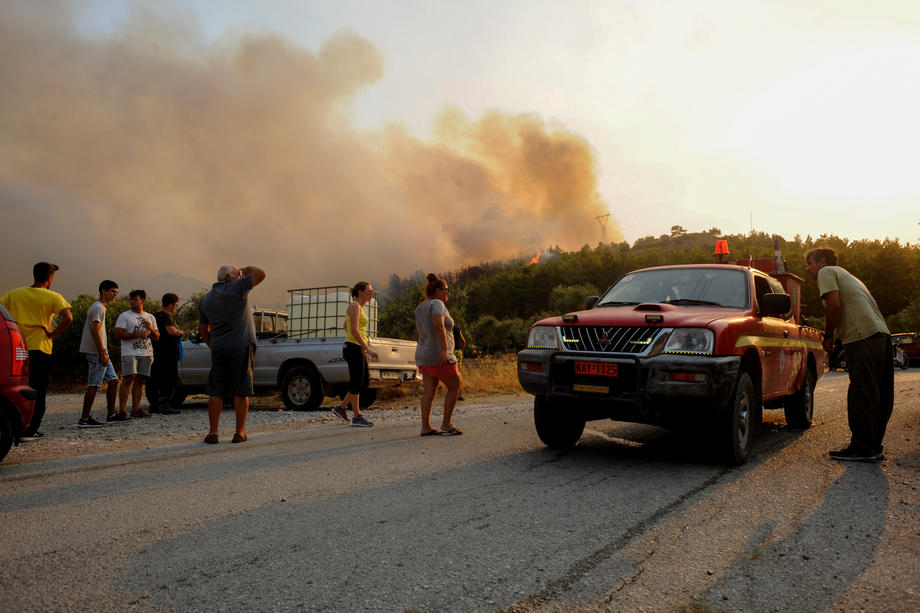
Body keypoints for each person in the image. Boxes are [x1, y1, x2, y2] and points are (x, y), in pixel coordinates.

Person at [805, 247, 893, 462]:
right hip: (881, 336)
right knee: (879, 394)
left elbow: (834, 305)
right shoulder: (849, 276)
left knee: (862, 393)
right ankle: (873, 446)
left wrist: (827, 335)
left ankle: (862, 448)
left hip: (862, 338)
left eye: (810, 263)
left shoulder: (827, 272)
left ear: (822, 261)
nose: (808, 269)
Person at [0, 262, 74, 438]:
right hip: (40, 347)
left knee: (17, 386)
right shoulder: (54, 296)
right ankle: (31, 429)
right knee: (39, 389)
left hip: (17, 348)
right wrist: (52, 334)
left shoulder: (14, 294)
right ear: (50, 278)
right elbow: (68, 318)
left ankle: (12, 424)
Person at [198, 265, 266, 444]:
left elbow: (203, 328)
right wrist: (245, 268)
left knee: (216, 390)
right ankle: (239, 432)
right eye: (238, 274)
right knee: (241, 390)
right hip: (241, 346)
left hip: (219, 348)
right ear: (228, 277)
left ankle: (213, 433)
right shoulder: (236, 288)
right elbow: (261, 273)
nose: (241, 275)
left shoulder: (206, 299)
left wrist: (212, 345)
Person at [415, 273, 463, 436]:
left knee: (429, 391)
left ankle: (425, 427)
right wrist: (444, 349)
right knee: (456, 386)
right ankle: (446, 424)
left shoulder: (420, 307)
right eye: (446, 289)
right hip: (439, 355)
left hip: (424, 354)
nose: (448, 292)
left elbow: (418, 332)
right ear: (437, 290)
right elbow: (438, 326)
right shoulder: (437, 304)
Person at [331, 282, 379, 427]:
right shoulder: (354, 306)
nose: (372, 293)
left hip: (355, 347)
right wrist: (367, 348)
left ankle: (342, 407)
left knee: (362, 382)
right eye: (369, 291)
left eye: (372, 291)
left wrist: (353, 342)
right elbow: (354, 330)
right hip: (354, 348)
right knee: (357, 382)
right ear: (360, 292)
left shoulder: (359, 308)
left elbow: (346, 326)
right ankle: (357, 415)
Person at [78, 280, 120, 427]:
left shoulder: (101, 307)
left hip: (101, 351)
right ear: (103, 291)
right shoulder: (98, 308)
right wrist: (102, 352)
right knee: (94, 384)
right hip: (97, 352)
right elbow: (95, 330)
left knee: (114, 381)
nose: (115, 294)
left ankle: (112, 414)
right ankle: (84, 419)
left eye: (116, 292)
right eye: (112, 291)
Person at [115, 290, 159, 419]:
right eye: (131, 299)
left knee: (140, 380)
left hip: (146, 352)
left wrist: (150, 328)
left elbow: (157, 337)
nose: (132, 301)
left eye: (135, 299)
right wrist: (137, 335)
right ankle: (122, 411)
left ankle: (136, 409)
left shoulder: (150, 317)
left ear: (142, 300)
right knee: (128, 379)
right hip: (129, 352)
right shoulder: (124, 316)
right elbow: (118, 334)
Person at [150, 293, 183, 415]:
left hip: (156, 351)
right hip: (167, 353)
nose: (176, 307)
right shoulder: (167, 316)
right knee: (169, 379)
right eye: (176, 305)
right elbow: (172, 332)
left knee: (156, 379)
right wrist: (180, 332)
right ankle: (165, 405)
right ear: (170, 304)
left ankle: (154, 405)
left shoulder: (155, 315)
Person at [453, 325, 467, 401]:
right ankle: (460, 394)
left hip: (448, 351)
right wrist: (461, 352)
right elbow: (463, 342)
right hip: (457, 351)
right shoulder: (456, 328)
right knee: (458, 373)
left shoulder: (441, 326)